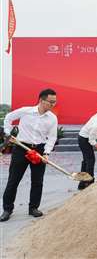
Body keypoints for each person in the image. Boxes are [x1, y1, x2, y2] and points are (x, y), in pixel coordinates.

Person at [0, 89, 58, 221]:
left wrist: (47, 153)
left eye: (55, 102)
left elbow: (52, 137)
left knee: (37, 181)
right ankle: (7, 209)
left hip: (39, 150)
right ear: (42, 100)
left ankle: (33, 208)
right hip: (21, 148)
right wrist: (8, 133)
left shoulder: (52, 118)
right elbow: (8, 118)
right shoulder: (25, 111)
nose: (53, 104)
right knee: (13, 180)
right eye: (51, 102)